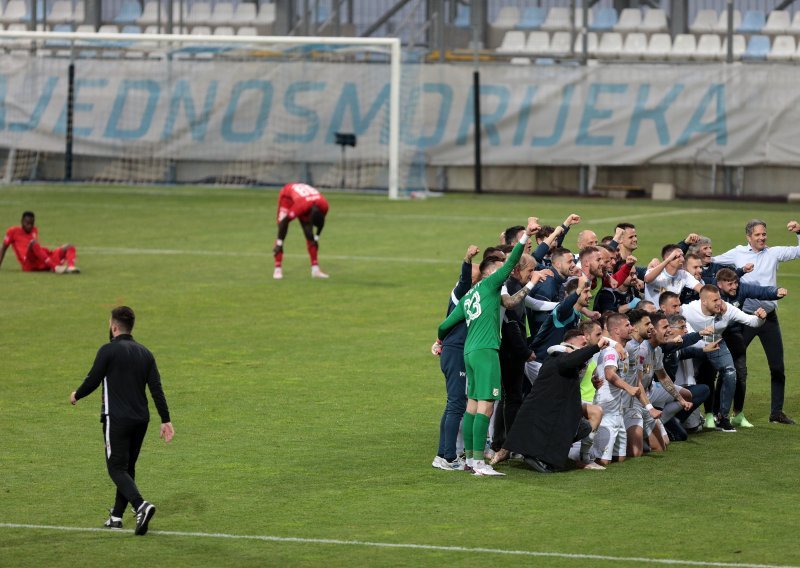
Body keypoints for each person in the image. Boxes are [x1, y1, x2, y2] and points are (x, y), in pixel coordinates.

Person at [437, 217, 540, 477]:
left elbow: (445, 324)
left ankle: (472, 460)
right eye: (500, 268)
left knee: (472, 405)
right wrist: (526, 234)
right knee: (487, 405)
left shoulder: (468, 296)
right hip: (486, 351)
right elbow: (513, 259)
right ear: (491, 273)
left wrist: (439, 341)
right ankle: (478, 463)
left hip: (469, 352)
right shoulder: (491, 284)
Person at [69, 306, 174, 535]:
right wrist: (165, 419)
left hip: (117, 418)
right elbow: (156, 389)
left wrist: (76, 394)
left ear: (114, 327)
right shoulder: (145, 352)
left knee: (116, 468)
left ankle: (141, 506)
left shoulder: (108, 350)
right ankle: (116, 516)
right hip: (141, 420)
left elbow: (93, 379)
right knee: (127, 468)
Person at [713, 219, 800, 424]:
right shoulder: (737, 253)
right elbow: (713, 262)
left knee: (777, 366)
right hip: (745, 319)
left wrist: (799, 232)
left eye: (764, 234)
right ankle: (717, 412)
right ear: (748, 237)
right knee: (731, 366)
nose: (762, 238)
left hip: (769, 319)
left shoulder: (774, 253)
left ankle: (776, 413)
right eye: (758, 235)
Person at [504, 333, 612, 473]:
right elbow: (569, 360)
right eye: (583, 344)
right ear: (569, 345)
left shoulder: (567, 362)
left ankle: (573, 457)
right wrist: (596, 347)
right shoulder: (559, 356)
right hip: (548, 414)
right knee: (576, 426)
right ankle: (538, 457)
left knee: (583, 427)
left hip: (552, 411)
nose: (585, 347)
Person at [681, 285, 766, 432]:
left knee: (730, 372)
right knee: (691, 379)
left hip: (717, 344)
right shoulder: (688, 310)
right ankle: (686, 417)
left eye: (719, 298)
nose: (719, 303)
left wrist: (761, 319)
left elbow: (752, 321)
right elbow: (670, 314)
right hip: (695, 348)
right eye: (715, 300)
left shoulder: (728, 310)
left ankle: (723, 417)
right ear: (704, 302)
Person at [431, 245, 480, 472]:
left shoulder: (468, 296)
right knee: (456, 405)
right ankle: (449, 457)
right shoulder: (461, 292)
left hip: (453, 351)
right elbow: (464, 279)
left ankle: (443, 454)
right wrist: (467, 259)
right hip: (456, 352)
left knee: (453, 405)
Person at [273, 183, 330, 280]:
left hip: (306, 201)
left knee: (309, 235)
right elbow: (284, 222)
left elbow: (321, 224)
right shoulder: (301, 206)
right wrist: (279, 243)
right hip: (287, 197)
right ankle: (277, 268)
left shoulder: (324, 205)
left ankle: (315, 270)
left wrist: (316, 238)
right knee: (282, 231)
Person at [0, 211, 80, 273]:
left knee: (69, 246)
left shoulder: (34, 230)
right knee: (33, 243)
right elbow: (3, 248)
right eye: (27, 223)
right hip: (28, 263)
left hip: (40, 260)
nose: (30, 226)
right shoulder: (12, 231)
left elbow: (38, 251)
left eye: (32, 223)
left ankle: (71, 267)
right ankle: (55, 267)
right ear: (22, 221)